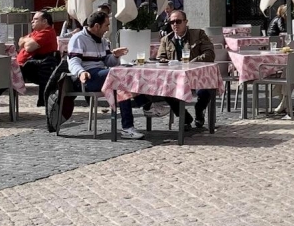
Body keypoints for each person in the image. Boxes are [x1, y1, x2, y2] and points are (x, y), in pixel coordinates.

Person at [68, 11, 164, 140]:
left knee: (125, 75)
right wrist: (81, 72)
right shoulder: (78, 39)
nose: (108, 29)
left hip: (104, 74)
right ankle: (145, 106)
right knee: (119, 76)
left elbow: (108, 62)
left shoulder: (102, 40)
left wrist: (115, 55)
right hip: (88, 76)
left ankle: (129, 126)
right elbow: (73, 61)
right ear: (97, 26)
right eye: (106, 26)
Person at [154, 10, 216, 129]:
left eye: (178, 21)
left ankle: (199, 110)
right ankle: (185, 117)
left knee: (206, 90)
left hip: (197, 76)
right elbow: (160, 58)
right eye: (172, 22)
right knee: (165, 90)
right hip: (175, 78)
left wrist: (190, 63)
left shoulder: (198, 34)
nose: (175, 24)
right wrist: (168, 63)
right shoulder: (166, 39)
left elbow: (209, 54)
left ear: (186, 22)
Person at [17, 11, 59, 106]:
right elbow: (20, 42)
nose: (32, 21)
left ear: (44, 21)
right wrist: (26, 40)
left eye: (35, 19)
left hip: (33, 66)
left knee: (2, 79)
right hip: (24, 64)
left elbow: (28, 47)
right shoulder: (36, 32)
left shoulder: (47, 32)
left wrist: (25, 40)